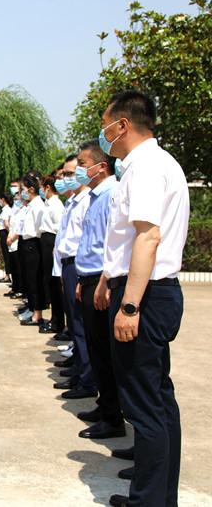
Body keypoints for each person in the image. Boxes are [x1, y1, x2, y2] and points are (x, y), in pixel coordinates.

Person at [100, 91, 189, 507]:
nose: (104, 134)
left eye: (106, 126)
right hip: (153, 291)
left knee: (145, 406)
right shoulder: (154, 163)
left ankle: (148, 502)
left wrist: (130, 305)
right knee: (159, 400)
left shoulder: (147, 167)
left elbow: (148, 237)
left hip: (146, 295)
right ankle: (159, 498)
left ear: (122, 125)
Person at [70, 140, 126, 441]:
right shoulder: (96, 197)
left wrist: (102, 282)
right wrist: (83, 280)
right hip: (90, 279)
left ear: (101, 167)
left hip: (102, 283)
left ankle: (113, 417)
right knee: (96, 348)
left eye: (82, 163)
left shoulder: (110, 196)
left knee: (104, 351)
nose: (78, 170)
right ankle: (105, 406)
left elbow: (112, 246)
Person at [51, 154, 98, 407]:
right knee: (75, 322)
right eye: (66, 174)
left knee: (81, 325)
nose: (68, 178)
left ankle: (87, 380)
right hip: (68, 265)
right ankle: (80, 370)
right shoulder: (73, 202)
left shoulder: (88, 201)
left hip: (78, 267)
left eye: (71, 173)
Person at [38, 174, 65, 334]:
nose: (41, 190)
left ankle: (57, 321)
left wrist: (55, 245)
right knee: (48, 280)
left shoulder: (56, 204)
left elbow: (60, 226)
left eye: (42, 187)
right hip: (46, 240)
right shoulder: (48, 204)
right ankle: (54, 319)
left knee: (54, 283)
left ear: (47, 188)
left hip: (51, 240)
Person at [18, 175, 46, 326]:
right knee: (28, 279)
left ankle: (37, 313)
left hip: (33, 244)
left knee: (35, 280)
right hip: (26, 243)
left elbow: (39, 227)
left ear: (31, 189)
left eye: (23, 189)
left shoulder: (38, 205)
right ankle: (31, 308)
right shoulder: (30, 205)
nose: (21, 193)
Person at [0, 194, 13, 283]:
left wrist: (10, 233)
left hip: (4, 232)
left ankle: (8, 275)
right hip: (3, 232)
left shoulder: (7, 210)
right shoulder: (6, 209)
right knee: (6, 254)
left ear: (3, 199)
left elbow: (6, 224)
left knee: (7, 254)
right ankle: (7, 274)